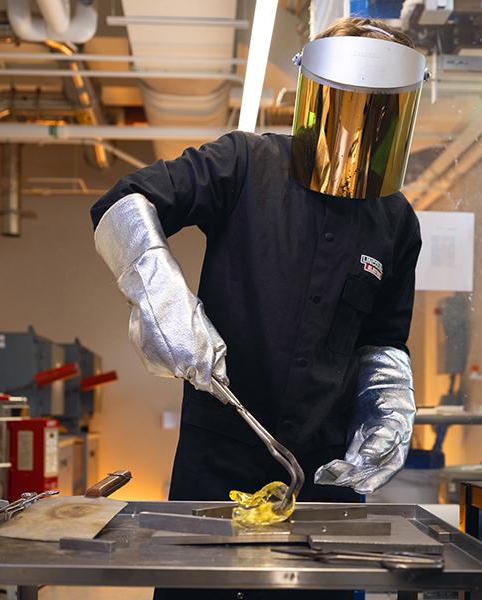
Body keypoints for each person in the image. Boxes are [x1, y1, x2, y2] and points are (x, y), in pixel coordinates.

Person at [91, 16, 425, 600]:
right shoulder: (244, 165)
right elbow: (124, 201)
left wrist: (387, 415)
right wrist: (163, 298)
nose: (362, 131)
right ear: (319, 98)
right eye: (353, 106)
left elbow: (384, 342)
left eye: (382, 113)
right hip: (215, 470)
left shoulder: (396, 221)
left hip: (322, 480)